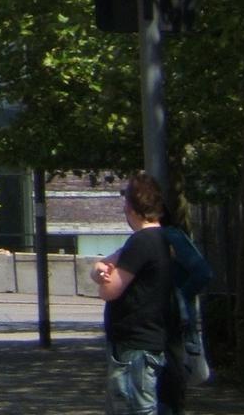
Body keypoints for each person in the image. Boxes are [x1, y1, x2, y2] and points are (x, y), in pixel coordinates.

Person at [93, 172, 175, 415]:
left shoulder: (141, 242)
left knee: (135, 407)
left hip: (134, 344)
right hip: (150, 338)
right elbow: (104, 265)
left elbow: (110, 290)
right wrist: (99, 270)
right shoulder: (162, 239)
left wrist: (103, 280)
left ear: (130, 207)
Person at [159, 221, 213, 412]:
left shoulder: (170, 236)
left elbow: (203, 273)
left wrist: (179, 298)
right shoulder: (151, 238)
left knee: (171, 388)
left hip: (176, 326)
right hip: (162, 327)